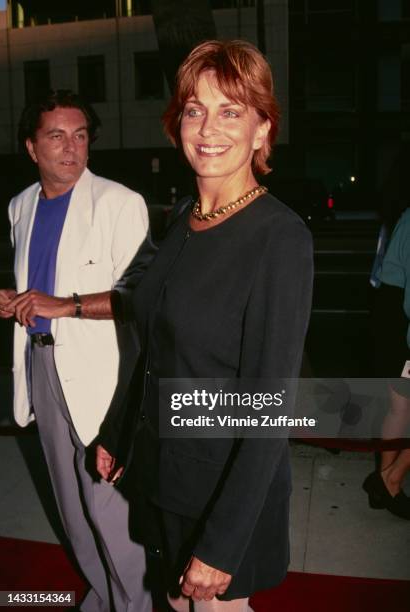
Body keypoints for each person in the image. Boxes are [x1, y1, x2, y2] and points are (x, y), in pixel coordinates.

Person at [96, 40, 314, 611]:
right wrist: (119, 432)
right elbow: (154, 343)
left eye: (231, 111)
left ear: (263, 130)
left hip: (222, 491)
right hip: (167, 472)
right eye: (195, 109)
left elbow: (270, 405)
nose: (208, 127)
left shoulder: (278, 238)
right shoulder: (182, 221)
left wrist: (223, 542)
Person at [0, 90, 152, 612]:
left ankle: (133, 602)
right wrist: (16, 301)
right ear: (31, 147)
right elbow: (37, 281)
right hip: (39, 363)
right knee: (70, 503)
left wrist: (62, 305)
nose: (71, 148)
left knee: (107, 502)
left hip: (100, 375)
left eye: (80, 135)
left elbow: (139, 301)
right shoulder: (20, 206)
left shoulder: (119, 203)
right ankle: (105, 592)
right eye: (56, 136)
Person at [363, 206, 410, 520]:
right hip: (401, 319)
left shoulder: (405, 214)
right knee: (400, 408)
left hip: (392, 315)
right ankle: (390, 479)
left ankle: (384, 481)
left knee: (399, 408)